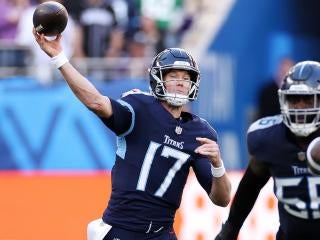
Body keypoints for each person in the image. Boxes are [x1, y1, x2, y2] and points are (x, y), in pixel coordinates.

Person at [32, 28, 231, 240]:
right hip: (122, 230)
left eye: (186, 77)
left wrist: (218, 165)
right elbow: (97, 102)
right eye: (173, 76)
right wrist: (60, 58)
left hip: (162, 234)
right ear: (158, 79)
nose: (181, 82)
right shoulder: (139, 108)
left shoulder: (200, 132)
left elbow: (222, 199)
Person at [215, 60, 320, 240]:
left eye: (308, 99)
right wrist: (230, 228)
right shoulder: (269, 139)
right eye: (294, 99)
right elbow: (251, 184)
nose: (300, 107)